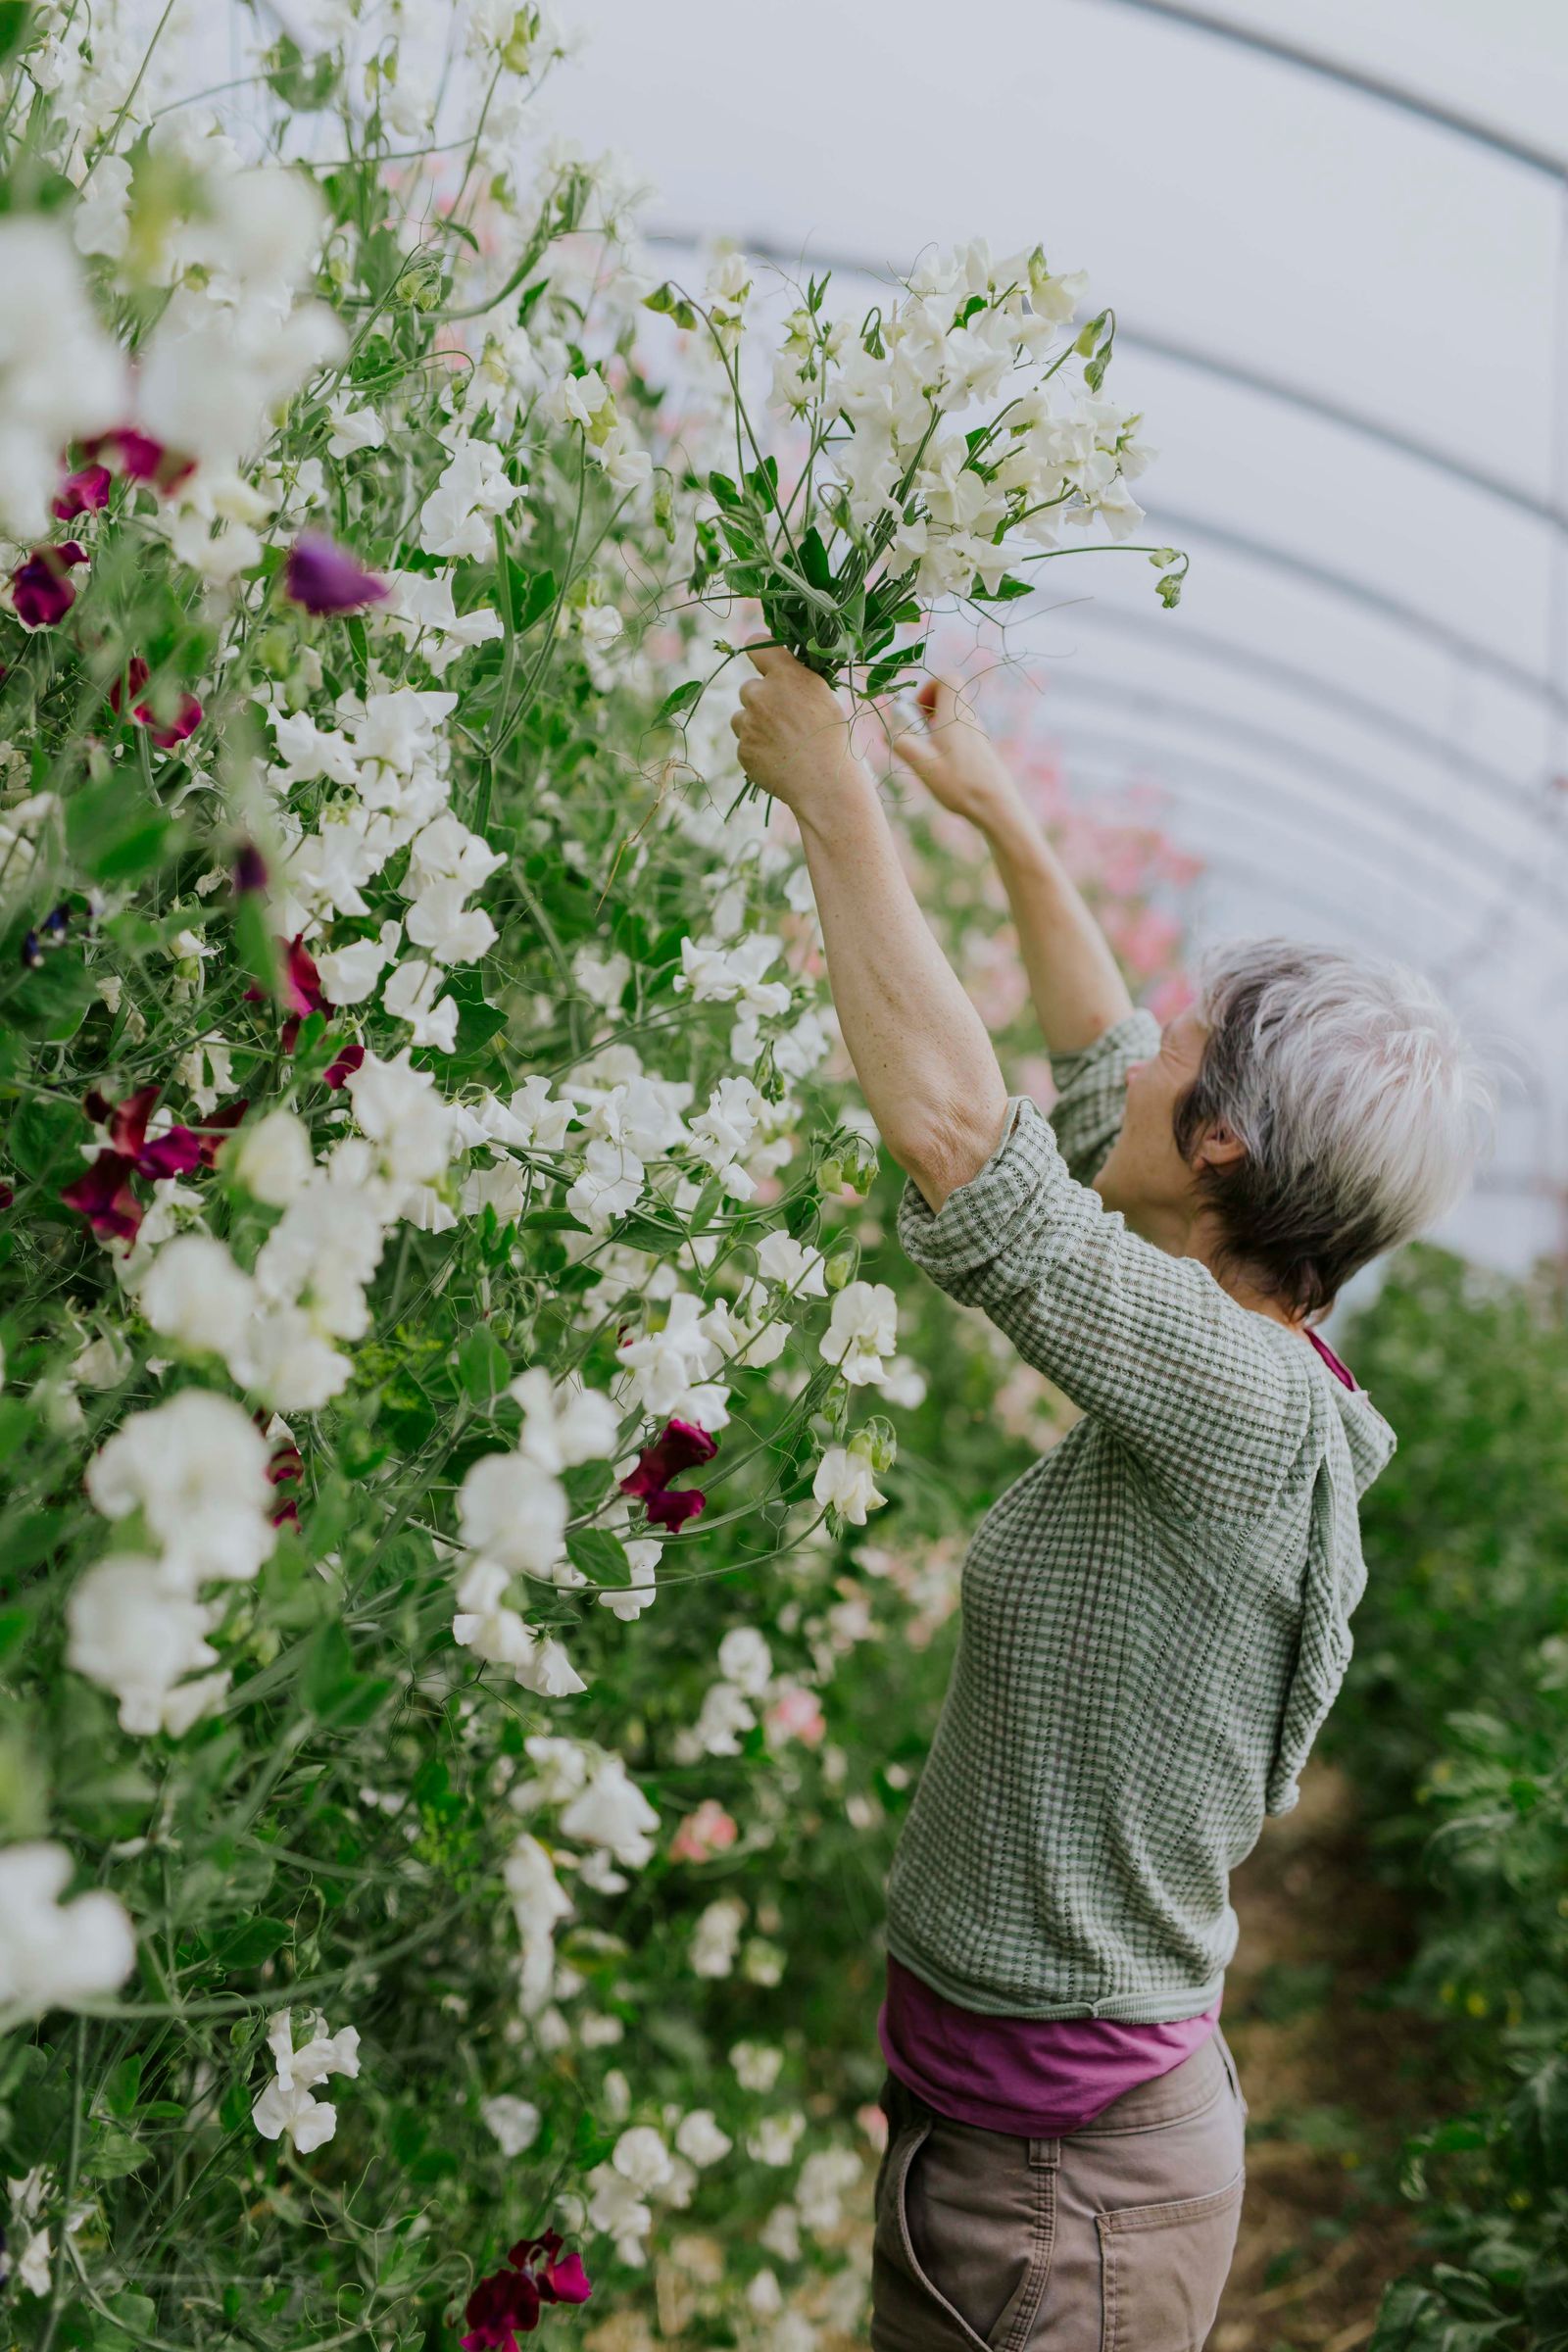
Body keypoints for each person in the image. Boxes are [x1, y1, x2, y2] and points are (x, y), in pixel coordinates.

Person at [730, 647, 1493, 2352]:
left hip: (1056, 2201)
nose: (1146, 1055)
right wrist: (991, 804)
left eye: (1191, 1052)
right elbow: (1095, 1066)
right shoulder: (1242, 1340)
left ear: (1220, 1148)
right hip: (1015, 2149)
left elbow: (963, 1146)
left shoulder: (1231, 1400)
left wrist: (832, 798)